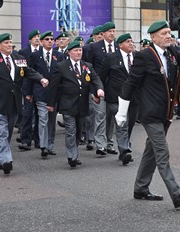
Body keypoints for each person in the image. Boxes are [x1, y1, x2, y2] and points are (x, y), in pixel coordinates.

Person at [115, 20, 180, 209]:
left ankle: (141, 188)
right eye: (164, 33)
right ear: (153, 37)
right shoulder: (144, 56)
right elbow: (130, 83)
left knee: (151, 152)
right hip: (150, 114)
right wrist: (122, 112)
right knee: (162, 151)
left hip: (165, 114)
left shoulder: (172, 53)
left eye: (169, 32)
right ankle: (176, 193)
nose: (168, 36)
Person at [0, 33, 49, 175]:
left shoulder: (18, 58)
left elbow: (28, 71)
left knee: (8, 131)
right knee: (1, 131)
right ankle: (7, 160)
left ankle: (1, 159)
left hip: (14, 102)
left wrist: (41, 79)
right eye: (6, 42)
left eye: (10, 42)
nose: (9, 45)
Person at [47, 41, 104, 168]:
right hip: (68, 105)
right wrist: (51, 103)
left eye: (80, 50)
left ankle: (75, 151)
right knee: (71, 131)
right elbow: (53, 86)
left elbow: (95, 79)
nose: (78, 53)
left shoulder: (87, 66)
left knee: (78, 131)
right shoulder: (61, 66)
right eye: (75, 51)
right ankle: (72, 156)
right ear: (69, 52)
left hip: (82, 104)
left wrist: (98, 89)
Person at [99, 33, 135, 165]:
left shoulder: (137, 57)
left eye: (131, 41)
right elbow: (101, 77)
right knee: (122, 124)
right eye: (127, 41)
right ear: (120, 45)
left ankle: (124, 148)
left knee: (129, 125)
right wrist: (99, 92)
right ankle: (125, 150)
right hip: (116, 97)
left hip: (134, 98)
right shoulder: (111, 58)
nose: (131, 43)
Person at [28, 31, 65, 157]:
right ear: (42, 42)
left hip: (54, 93)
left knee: (51, 120)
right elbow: (29, 74)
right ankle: (43, 146)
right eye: (47, 39)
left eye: (51, 39)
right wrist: (28, 92)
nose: (50, 41)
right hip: (40, 93)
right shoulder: (35, 55)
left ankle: (50, 144)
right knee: (43, 119)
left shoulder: (59, 55)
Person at [88, 21, 119, 156]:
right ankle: (100, 145)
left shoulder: (118, 47)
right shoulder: (94, 48)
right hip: (99, 88)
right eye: (109, 31)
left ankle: (109, 144)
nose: (112, 33)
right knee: (100, 115)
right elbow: (88, 67)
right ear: (103, 34)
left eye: (113, 31)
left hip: (114, 89)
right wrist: (92, 88)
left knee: (111, 117)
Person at [18, 29, 41, 150]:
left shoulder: (42, 51)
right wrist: (26, 92)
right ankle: (25, 139)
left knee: (39, 115)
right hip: (28, 87)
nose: (37, 38)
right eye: (35, 37)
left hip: (39, 87)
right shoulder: (23, 52)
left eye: (38, 36)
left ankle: (38, 140)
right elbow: (23, 73)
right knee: (27, 114)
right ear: (30, 40)